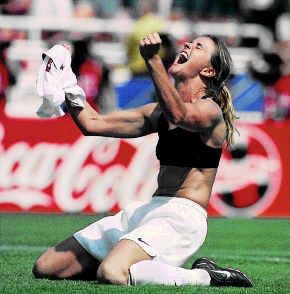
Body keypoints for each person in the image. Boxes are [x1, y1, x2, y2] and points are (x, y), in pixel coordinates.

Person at [32, 33, 253, 287]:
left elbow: (181, 115)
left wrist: (153, 60)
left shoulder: (211, 110)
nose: (188, 45)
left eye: (198, 46)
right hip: (149, 209)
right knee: (47, 267)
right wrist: (67, 83)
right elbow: (92, 123)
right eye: (190, 42)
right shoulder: (159, 111)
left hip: (181, 219)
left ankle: (205, 276)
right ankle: (137, 265)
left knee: (113, 272)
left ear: (209, 70)